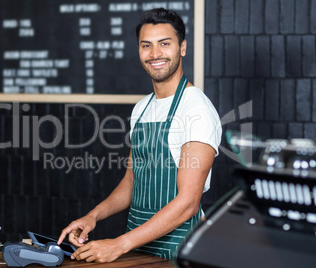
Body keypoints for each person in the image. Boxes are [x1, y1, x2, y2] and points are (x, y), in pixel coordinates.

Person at [58, 8, 222, 262]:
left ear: (182, 48)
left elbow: (189, 202)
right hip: (138, 248)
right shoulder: (142, 108)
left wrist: (118, 245)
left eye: (164, 44)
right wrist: (93, 216)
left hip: (181, 250)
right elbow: (132, 182)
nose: (155, 54)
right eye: (146, 45)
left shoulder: (196, 110)